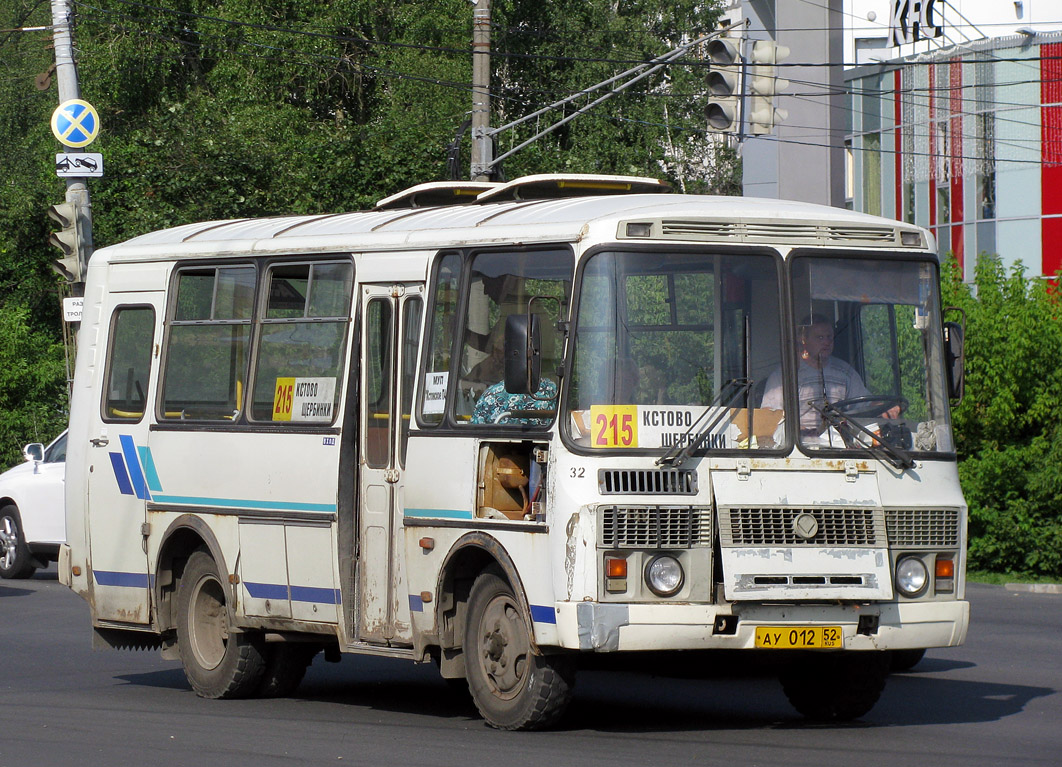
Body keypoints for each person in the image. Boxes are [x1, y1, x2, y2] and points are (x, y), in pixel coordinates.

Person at [761, 314, 899, 436]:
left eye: (829, 337)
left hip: (839, 443)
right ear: (803, 339)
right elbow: (769, 414)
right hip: (797, 446)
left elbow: (864, 403)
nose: (826, 342)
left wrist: (885, 406)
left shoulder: (845, 372)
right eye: (820, 337)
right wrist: (796, 428)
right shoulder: (785, 375)